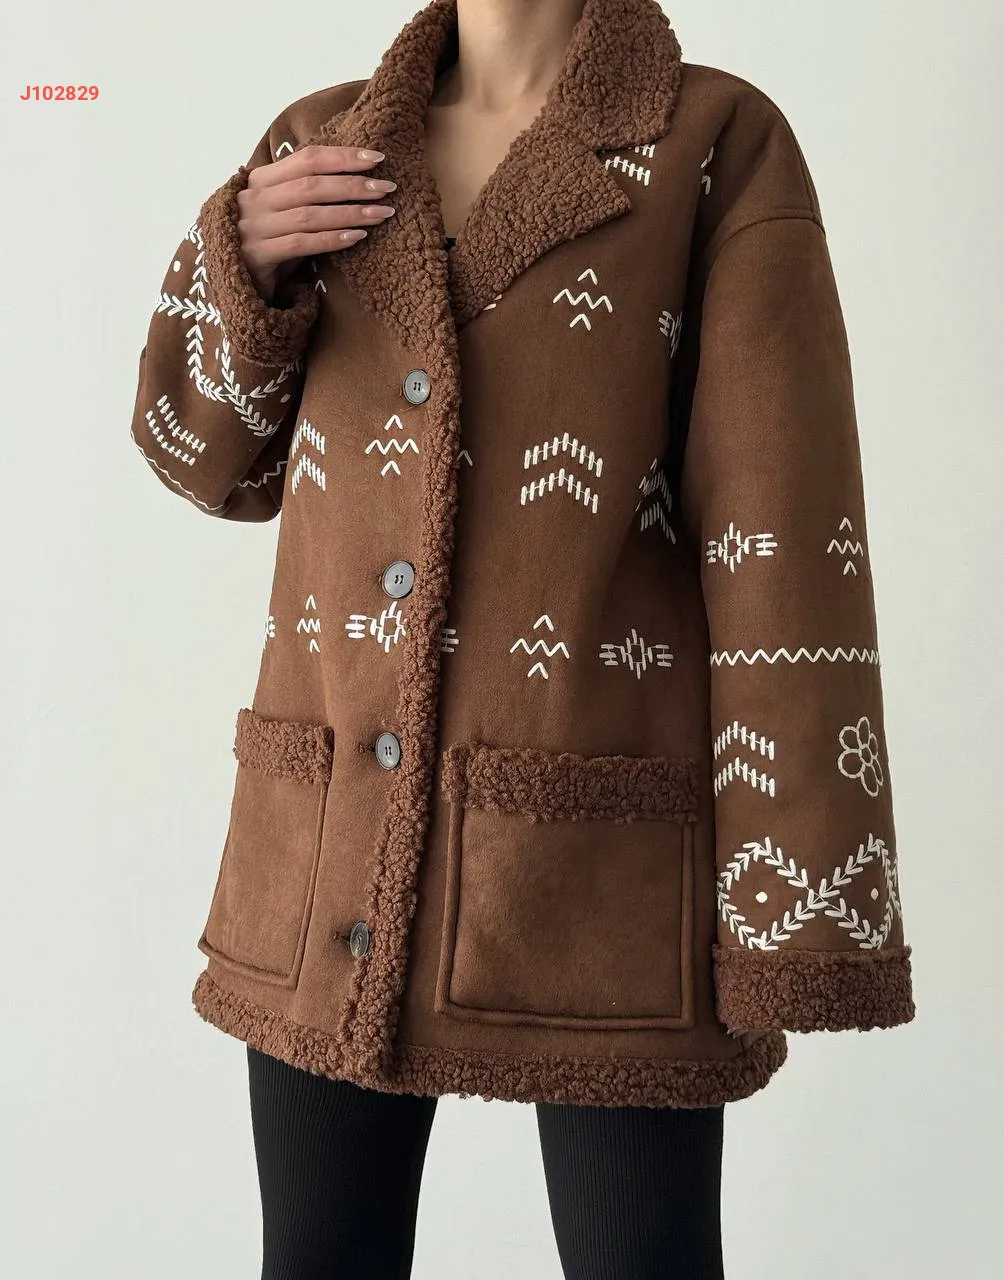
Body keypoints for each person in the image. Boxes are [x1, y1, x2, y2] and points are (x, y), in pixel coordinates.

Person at [129, 0, 915, 1275]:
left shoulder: (714, 144)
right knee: (317, 1255)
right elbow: (203, 461)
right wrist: (240, 266)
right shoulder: (322, 142)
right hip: (326, 864)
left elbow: (780, 536)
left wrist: (794, 919)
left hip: (601, 874)